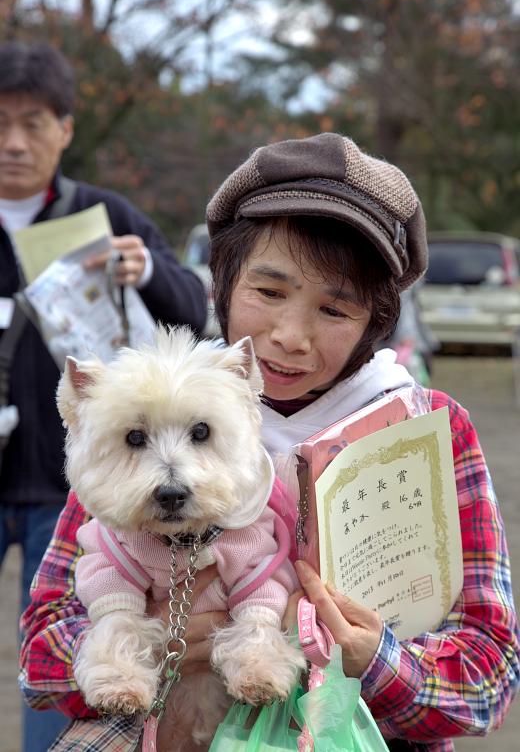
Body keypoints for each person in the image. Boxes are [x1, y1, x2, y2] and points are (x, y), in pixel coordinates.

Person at [20, 133, 519, 752]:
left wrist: (377, 661)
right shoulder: (145, 404)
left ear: (376, 322)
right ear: (223, 282)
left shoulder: (424, 428)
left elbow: (489, 675)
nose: (290, 336)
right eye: (269, 291)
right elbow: (40, 651)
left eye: (335, 311)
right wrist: (147, 638)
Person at [0, 40, 207, 752]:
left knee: (66, 647)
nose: (13, 142)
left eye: (32, 122)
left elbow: (194, 314)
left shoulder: (104, 215)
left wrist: (146, 266)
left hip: (78, 490)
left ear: (66, 128)